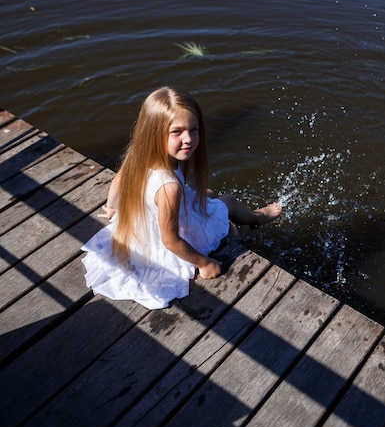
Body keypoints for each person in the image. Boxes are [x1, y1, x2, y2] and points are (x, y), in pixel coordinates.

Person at [81, 86, 281, 309]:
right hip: (167, 243)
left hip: (144, 228)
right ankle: (257, 217)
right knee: (228, 202)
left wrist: (112, 208)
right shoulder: (168, 188)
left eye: (193, 129)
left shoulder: (139, 154)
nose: (188, 139)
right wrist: (204, 263)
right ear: (155, 134)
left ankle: (232, 219)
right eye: (177, 132)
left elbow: (118, 181)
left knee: (207, 195)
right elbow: (171, 240)